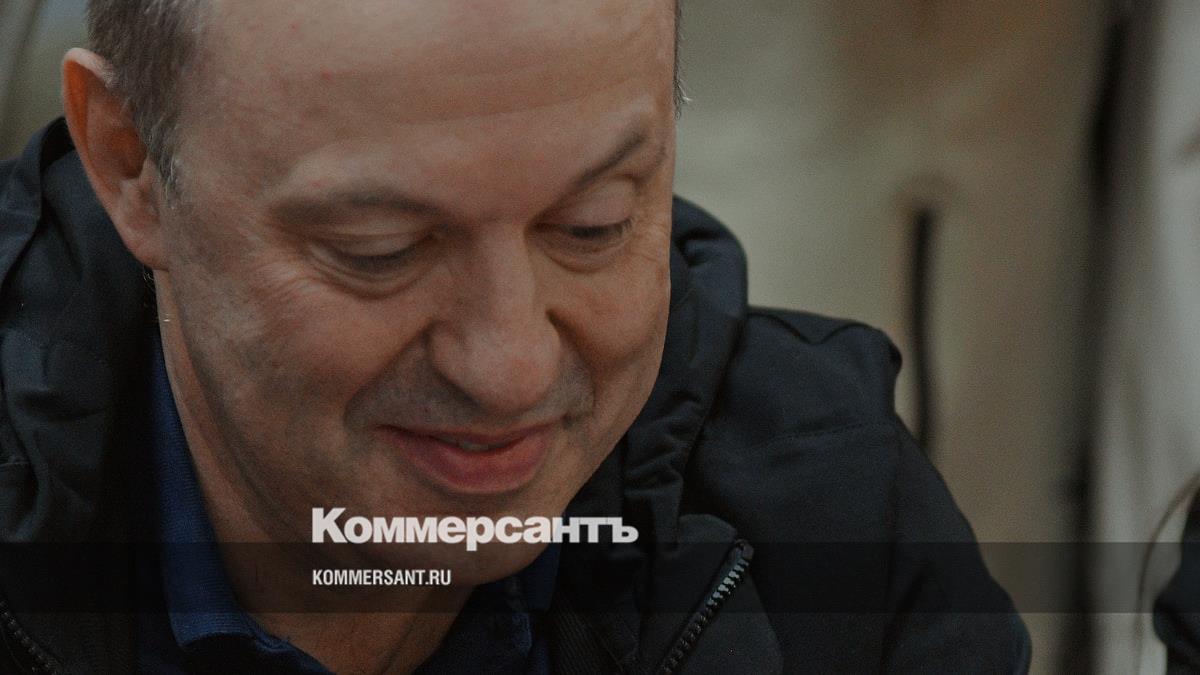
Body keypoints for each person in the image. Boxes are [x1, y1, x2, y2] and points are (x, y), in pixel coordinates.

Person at [0, 0, 1030, 672]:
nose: (511, 368)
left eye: (592, 226)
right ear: (131, 163)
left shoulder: (833, 519)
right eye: (379, 251)